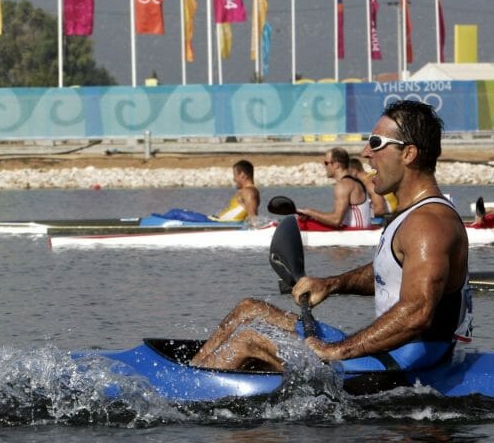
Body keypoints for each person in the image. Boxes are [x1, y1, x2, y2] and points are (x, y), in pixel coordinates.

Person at [192, 100, 473, 374]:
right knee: (249, 310)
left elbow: (417, 311)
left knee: (248, 340)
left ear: (408, 154)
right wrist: (332, 284)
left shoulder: (429, 224)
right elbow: (391, 271)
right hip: (389, 349)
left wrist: (339, 350)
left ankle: (183, 397)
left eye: (376, 143)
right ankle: (191, 373)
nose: (365, 152)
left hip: (406, 362)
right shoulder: (411, 215)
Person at [150, 160, 259, 224]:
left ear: (243, 175)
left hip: (216, 224)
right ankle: (153, 222)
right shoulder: (250, 191)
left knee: (175, 213)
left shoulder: (248, 192)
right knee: (177, 214)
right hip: (215, 221)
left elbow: (253, 216)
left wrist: (255, 227)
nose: (234, 179)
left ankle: (150, 225)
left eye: (235, 175)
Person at [296, 147, 371, 229]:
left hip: (355, 232)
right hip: (352, 229)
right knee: (308, 220)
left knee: (301, 223)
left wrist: (310, 212)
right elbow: (336, 217)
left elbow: (336, 220)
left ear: (336, 165)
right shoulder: (353, 181)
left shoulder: (344, 185)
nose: (325, 167)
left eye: (326, 163)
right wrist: (312, 215)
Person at [348, 157, 395, 223]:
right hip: (388, 216)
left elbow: (380, 209)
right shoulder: (368, 179)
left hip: (390, 216)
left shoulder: (371, 183)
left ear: (353, 171)